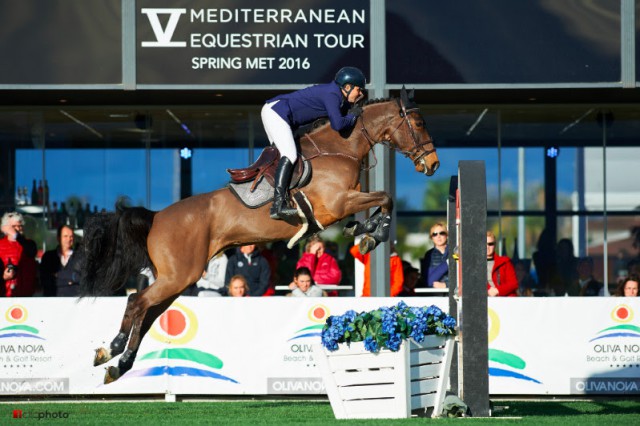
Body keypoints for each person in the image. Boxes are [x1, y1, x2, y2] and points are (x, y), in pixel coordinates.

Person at [261, 66, 366, 220]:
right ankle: (278, 205)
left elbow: (341, 116)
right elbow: (338, 124)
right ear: (347, 87)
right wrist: (352, 116)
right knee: (289, 154)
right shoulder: (332, 94)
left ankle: (281, 197)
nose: (361, 94)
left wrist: (351, 111)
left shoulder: (337, 96)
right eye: (359, 89)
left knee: (287, 154)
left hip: (277, 113)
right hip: (277, 112)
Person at [0, 212, 37, 297]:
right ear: (6, 228)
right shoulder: (0, 245)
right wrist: (3, 277)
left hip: (26, 295)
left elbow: (31, 251)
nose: (18, 229)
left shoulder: (28, 244)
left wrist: (16, 236)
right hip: (5, 296)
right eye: (14, 226)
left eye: (20, 226)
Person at [40, 225, 76, 297]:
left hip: (74, 302)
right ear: (58, 238)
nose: (69, 239)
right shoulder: (48, 257)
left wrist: (58, 275)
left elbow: (82, 279)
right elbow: (45, 280)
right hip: (52, 301)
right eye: (65, 236)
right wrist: (69, 280)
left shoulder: (81, 257)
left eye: (71, 236)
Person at [486, 231, 518, 297]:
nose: (487, 247)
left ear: (495, 245)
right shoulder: (475, 266)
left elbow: (514, 283)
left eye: (490, 244)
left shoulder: (504, 262)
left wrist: (498, 290)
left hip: (504, 303)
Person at [419, 222, 449, 289]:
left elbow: (461, 277)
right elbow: (428, 281)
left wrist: (446, 285)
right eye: (435, 234)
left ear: (447, 235)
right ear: (431, 238)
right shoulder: (429, 255)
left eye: (442, 233)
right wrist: (447, 263)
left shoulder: (454, 251)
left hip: (454, 294)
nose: (438, 236)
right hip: (435, 295)